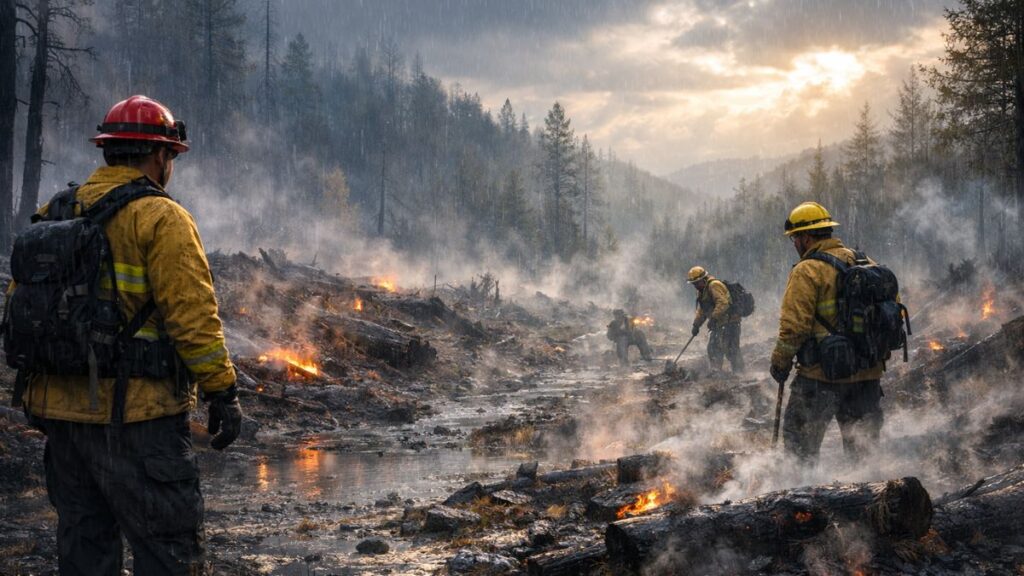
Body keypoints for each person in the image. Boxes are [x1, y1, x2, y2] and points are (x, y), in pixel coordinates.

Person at [13, 95, 240, 575]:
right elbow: (193, 320)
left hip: (64, 427)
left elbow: (22, 313)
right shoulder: (163, 219)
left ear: (109, 151)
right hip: (139, 421)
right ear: (160, 155)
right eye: (171, 157)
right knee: (169, 554)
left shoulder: (54, 213)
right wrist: (223, 392)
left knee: (85, 556)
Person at [769, 202, 885, 465]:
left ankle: (801, 502)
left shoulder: (807, 270)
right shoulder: (865, 263)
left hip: (819, 378)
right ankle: (866, 499)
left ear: (805, 237)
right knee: (863, 455)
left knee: (800, 450)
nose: (795, 244)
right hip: (867, 377)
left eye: (795, 238)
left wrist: (779, 362)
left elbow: (794, 327)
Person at [688, 266, 744, 373]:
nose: (695, 286)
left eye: (697, 282)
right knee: (713, 348)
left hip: (730, 322)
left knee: (731, 350)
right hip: (719, 323)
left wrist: (713, 318)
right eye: (693, 284)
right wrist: (696, 325)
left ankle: (740, 374)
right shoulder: (702, 291)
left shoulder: (714, 285)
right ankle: (716, 372)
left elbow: (723, 303)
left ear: (704, 279)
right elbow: (702, 310)